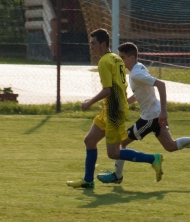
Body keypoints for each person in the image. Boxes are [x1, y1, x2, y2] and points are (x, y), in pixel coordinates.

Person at [66, 29, 163, 189]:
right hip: (111, 108)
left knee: (114, 153)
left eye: (94, 44)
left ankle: (153, 159)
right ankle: (88, 180)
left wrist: (89, 102)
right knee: (89, 140)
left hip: (114, 111)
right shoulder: (116, 59)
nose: (91, 47)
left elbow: (108, 90)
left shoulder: (104, 61)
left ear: (103, 44)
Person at [97, 42, 190, 184]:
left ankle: (118, 176)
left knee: (121, 143)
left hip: (150, 118)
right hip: (155, 113)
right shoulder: (138, 68)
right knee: (170, 146)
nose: (120, 61)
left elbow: (161, 84)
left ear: (132, 57)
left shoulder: (136, 74)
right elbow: (139, 94)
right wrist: (124, 103)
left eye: (122, 57)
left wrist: (164, 111)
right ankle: (118, 176)